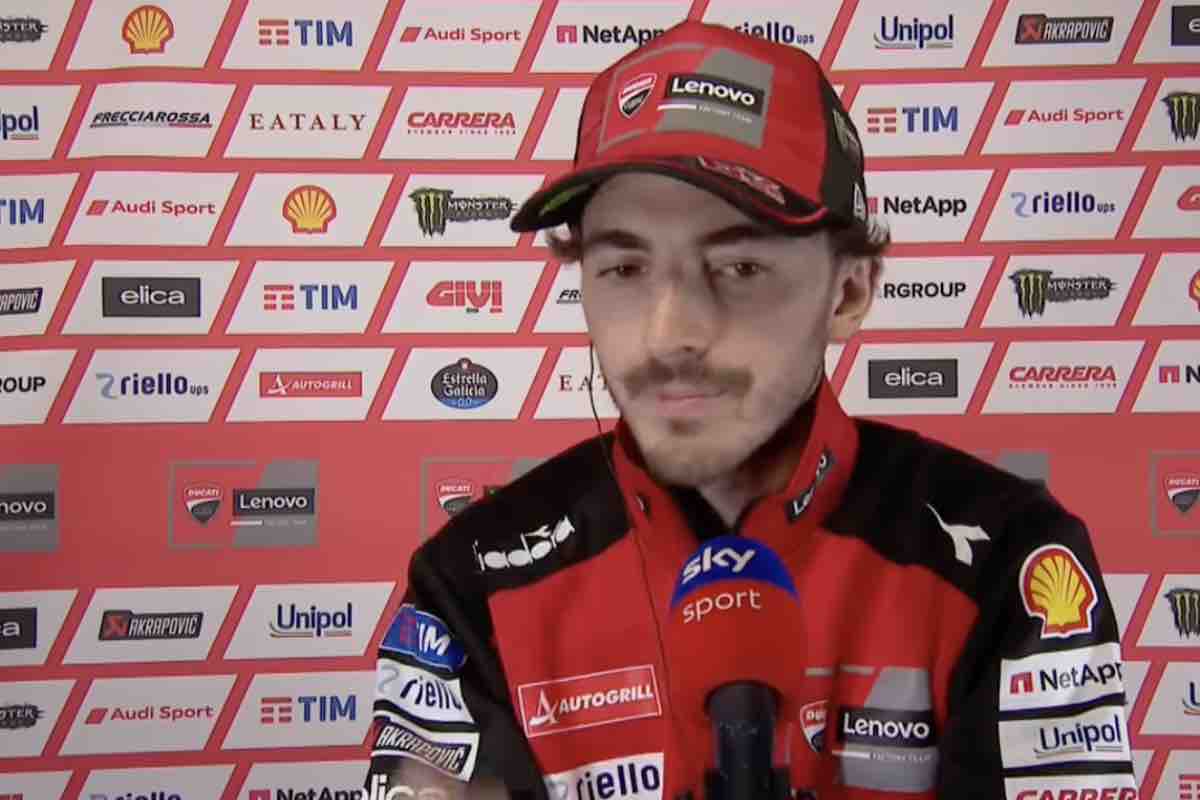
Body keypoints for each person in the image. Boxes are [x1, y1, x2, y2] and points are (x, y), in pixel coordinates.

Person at [365, 20, 1137, 800]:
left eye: (738, 266)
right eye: (625, 268)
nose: (670, 332)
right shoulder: (471, 584)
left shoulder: (1010, 560)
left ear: (849, 291)